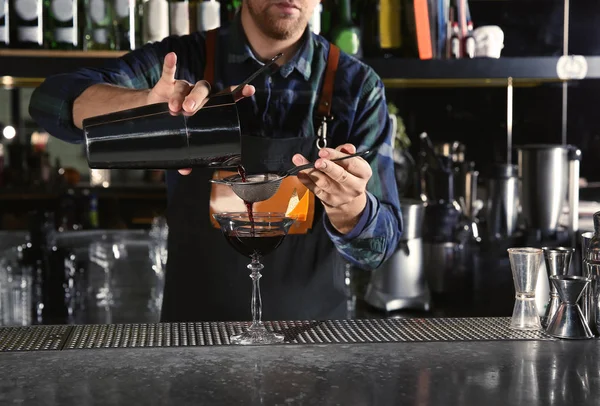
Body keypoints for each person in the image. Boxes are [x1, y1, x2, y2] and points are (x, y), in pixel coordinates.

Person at [29, 0, 403, 322]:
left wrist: (350, 208)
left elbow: (380, 249)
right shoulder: (181, 62)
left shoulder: (357, 87)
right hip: (193, 342)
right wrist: (141, 103)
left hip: (313, 347)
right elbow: (48, 102)